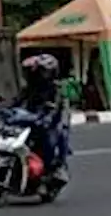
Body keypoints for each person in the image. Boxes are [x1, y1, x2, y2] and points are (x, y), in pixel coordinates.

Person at [14, 53, 70, 182]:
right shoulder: (30, 88)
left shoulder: (56, 89)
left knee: (50, 141)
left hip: (51, 121)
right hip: (31, 119)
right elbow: (17, 101)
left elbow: (56, 107)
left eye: (40, 72)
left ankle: (54, 168)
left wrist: (48, 117)